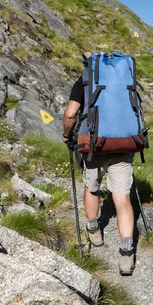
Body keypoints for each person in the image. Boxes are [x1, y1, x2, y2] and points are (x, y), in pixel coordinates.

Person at [62, 76, 136, 276]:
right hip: (123, 143)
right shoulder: (125, 78)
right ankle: (126, 255)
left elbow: (70, 114)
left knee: (92, 188)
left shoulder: (84, 80)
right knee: (122, 198)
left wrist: (67, 135)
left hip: (94, 144)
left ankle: (94, 232)